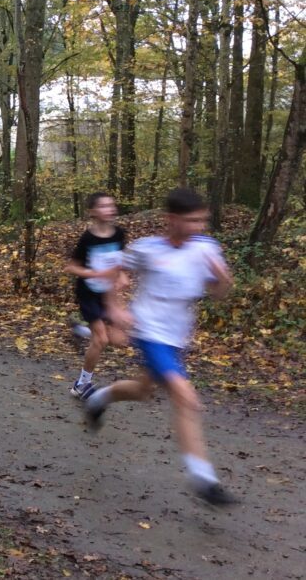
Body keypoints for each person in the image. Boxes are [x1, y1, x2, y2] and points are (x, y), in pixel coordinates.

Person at [84, 188, 237, 506]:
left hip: (178, 336)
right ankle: (203, 478)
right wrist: (114, 307)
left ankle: (97, 398)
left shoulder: (206, 248)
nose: (197, 227)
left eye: (201, 220)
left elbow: (219, 293)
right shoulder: (148, 248)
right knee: (185, 395)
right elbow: (115, 272)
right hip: (148, 329)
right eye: (191, 220)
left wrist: (223, 280)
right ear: (171, 219)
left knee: (143, 390)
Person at [65, 192, 129, 399]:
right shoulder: (88, 238)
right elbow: (72, 267)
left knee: (119, 340)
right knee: (101, 340)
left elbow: (120, 261)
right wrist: (95, 273)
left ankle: (82, 331)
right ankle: (82, 384)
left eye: (111, 205)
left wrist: (122, 275)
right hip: (88, 293)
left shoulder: (119, 234)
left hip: (108, 294)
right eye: (103, 206)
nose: (109, 209)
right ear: (93, 212)